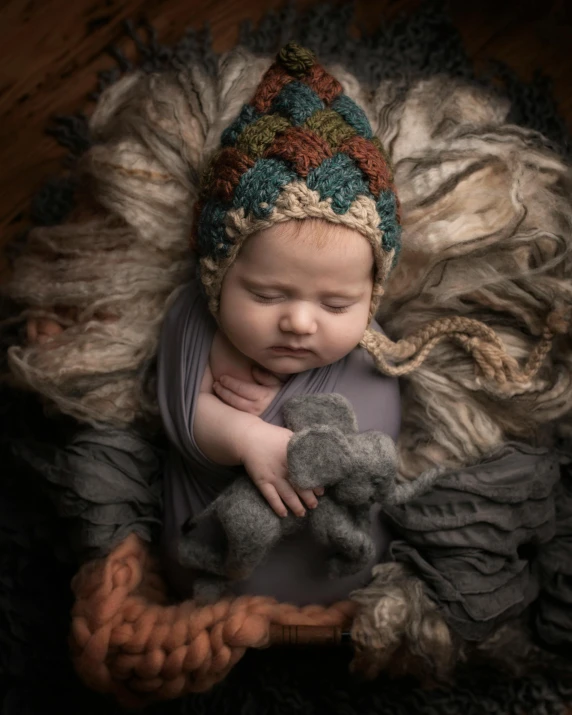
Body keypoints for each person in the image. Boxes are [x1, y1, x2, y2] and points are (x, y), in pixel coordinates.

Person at [156, 42, 403, 605]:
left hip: (338, 566)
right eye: (267, 294)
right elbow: (178, 415)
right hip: (211, 562)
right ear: (218, 276)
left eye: (337, 305)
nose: (298, 321)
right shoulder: (194, 324)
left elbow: (371, 455)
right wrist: (248, 435)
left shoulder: (370, 354)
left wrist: (287, 421)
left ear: (372, 296)